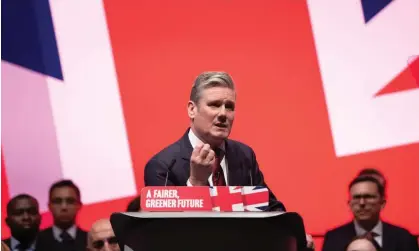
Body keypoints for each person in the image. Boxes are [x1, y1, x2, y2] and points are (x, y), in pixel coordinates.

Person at [144, 71, 285, 211]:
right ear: (192, 109)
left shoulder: (244, 155)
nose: (223, 114)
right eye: (214, 105)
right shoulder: (162, 167)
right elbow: (166, 230)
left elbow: (269, 210)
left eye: (229, 107)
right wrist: (197, 183)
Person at [322, 176, 418, 251]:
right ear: (349, 204)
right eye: (356, 197)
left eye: (368, 196)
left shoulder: (404, 239)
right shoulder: (333, 239)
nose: (362, 203)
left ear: (382, 203)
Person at [35, 179, 87, 251]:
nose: (64, 207)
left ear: (79, 205)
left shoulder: (92, 241)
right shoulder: (35, 242)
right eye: (57, 201)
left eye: (70, 201)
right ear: (49, 206)